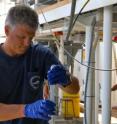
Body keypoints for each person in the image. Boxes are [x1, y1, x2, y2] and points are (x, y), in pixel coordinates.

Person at [0, 4, 80, 124]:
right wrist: (26, 110)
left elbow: (75, 89)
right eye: (22, 37)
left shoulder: (40, 55)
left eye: (31, 37)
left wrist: (66, 80)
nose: (27, 43)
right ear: (7, 30)